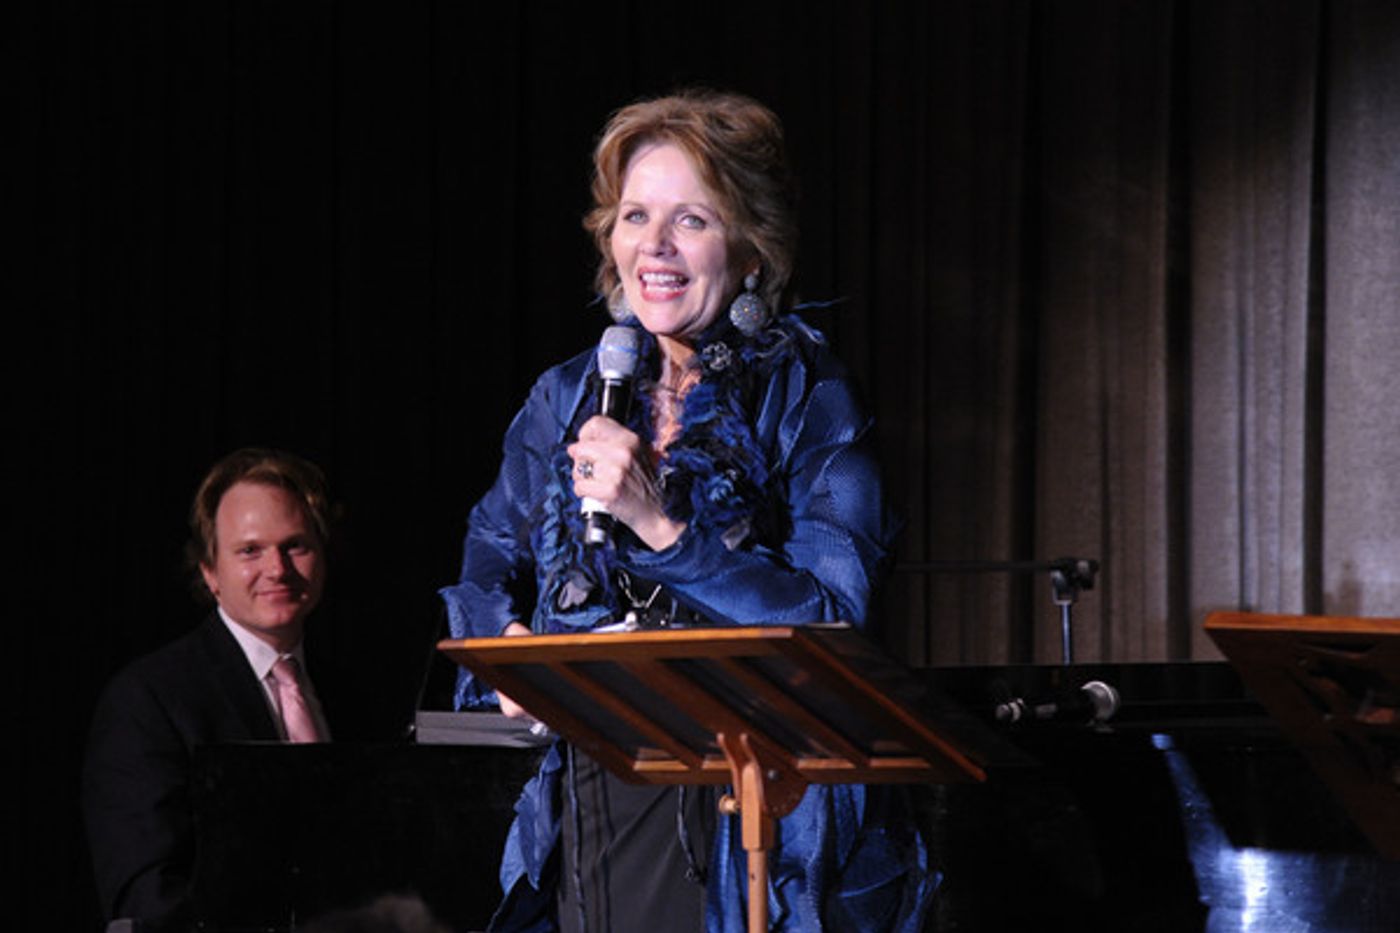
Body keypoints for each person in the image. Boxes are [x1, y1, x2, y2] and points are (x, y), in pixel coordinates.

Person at [439, 89, 935, 932]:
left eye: (692, 220)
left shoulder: (811, 399)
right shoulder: (567, 396)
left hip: (756, 807)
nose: (654, 247)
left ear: (751, 253)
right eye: (635, 216)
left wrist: (661, 526)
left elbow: (833, 616)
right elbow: (490, 551)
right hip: (595, 785)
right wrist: (508, 651)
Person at [83, 447, 336, 932]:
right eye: (250, 551)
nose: (277, 569)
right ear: (209, 571)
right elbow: (147, 898)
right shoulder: (147, 700)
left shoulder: (352, 689)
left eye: (296, 545)